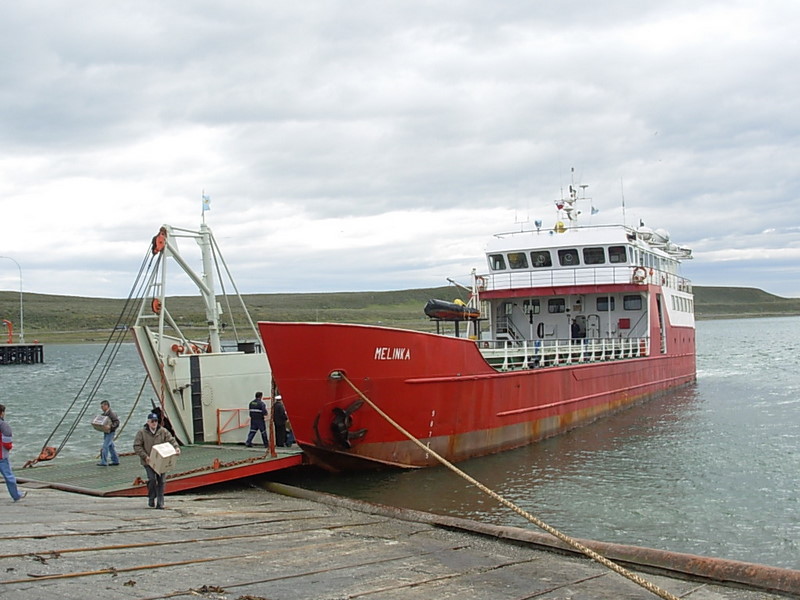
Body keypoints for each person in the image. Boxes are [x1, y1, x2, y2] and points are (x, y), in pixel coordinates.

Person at [133, 412, 180, 509]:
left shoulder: (162, 431)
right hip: (148, 461)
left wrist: (176, 447)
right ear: (148, 422)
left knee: (161, 481)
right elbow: (137, 446)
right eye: (152, 421)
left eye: (156, 421)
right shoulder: (141, 433)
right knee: (152, 479)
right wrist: (145, 456)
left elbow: (171, 440)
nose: (154, 423)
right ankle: (151, 497)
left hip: (161, 461)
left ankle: (160, 503)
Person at [0, 404, 27, 502]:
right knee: (9, 476)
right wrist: (9, 448)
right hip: (2, 456)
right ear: (2, 413)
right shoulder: (3, 425)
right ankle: (16, 495)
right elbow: (7, 441)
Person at [97, 400, 120, 466]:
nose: (101, 408)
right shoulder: (105, 414)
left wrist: (110, 427)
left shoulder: (111, 414)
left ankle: (103, 462)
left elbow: (117, 422)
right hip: (106, 432)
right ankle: (115, 460)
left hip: (110, 432)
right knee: (111, 446)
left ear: (107, 406)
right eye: (101, 406)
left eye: (103, 406)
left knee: (105, 446)